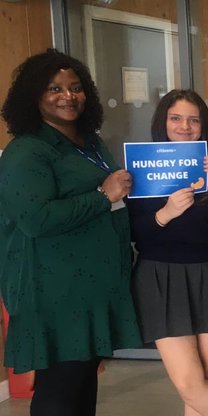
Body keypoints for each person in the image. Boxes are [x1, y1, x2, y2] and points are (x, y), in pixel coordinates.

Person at [0, 48, 142, 416]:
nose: (68, 95)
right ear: (34, 97)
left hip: (89, 288)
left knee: (82, 383)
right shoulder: (27, 151)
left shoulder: (90, 143)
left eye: (76, 87)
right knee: (60, 389)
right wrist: (102, 195)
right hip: (53, 291)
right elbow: (36, 219)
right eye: (55, 89)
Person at [128, 89, 208, 416]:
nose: (185, 126)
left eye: (194, 120)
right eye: (176, 118)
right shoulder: (143, 165)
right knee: (189, 383)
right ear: (163, 121)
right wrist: (165, 213)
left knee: (206, 378)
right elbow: (133, 232)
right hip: (161, 277)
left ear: (204, 126)